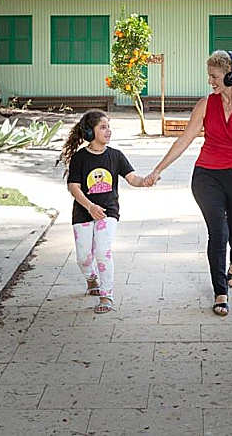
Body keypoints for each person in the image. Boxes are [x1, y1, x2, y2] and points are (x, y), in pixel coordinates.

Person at [144, 50, 232, 316]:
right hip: (207, 175)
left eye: (214, 76)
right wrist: (159, 168)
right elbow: (185, 139)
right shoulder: (205, 104)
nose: (210, 81)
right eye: (209, 76)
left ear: (230, 75)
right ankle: (220, 291)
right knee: (219, 233)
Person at [58, 109, 148, 314]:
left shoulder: (116, 156)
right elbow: (73, 187)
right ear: (90, 132)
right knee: (83, 257)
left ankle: (106, 296)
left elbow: (132, 178)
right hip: (83, 213)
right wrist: (90, 206)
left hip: (108, 212)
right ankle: (91, 278)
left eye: (109, 127)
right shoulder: (80, 158)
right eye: (103, 127)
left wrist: (145, 181)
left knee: (102, 252)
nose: (108, 131)